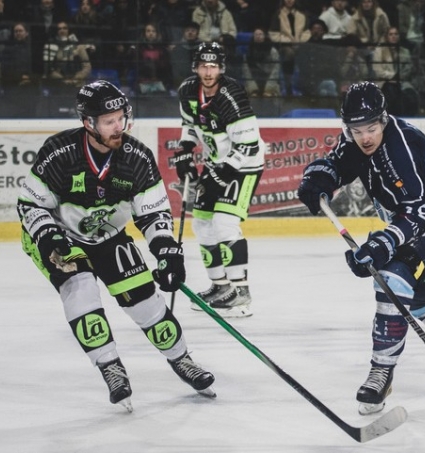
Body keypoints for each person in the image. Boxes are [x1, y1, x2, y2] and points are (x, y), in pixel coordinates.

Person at [297, 81, 425, 416]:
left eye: (372, 128)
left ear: (385, 119)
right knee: (419, 299)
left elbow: (417, 213)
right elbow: (340, 163)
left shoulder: (397, 149)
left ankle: (381, 372)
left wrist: (381, 246)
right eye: (357, 129)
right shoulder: (356, 140)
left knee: (393, 276)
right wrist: (319, 180)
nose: (365, 137)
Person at [16, 80, 216, 412]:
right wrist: (48, 236)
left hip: (107, 235)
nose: (118, 126)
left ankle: (182, 359)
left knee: (144, 301)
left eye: (121, 117)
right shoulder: (59, 152)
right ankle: (111, 367)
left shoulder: (137, 157)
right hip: (60, 236)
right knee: (80, 291)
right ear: (88, 122)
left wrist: (166, 252)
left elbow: (153, 214)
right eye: (109, 121)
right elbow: (30, 205)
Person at [173, 42, 266, 318]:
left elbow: (248, 145)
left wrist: (221, 173)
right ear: (196, 67)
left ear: (221, 68)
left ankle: (240, 291)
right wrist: (185, 153)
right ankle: (220, 286)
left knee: (224, 223)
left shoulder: (231, 95)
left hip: (244, 166)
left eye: (213, 66)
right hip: (217, 164)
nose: (208, 71)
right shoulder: (188, 91)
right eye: (204, 65)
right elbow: (189, 126)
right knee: (202, 224)